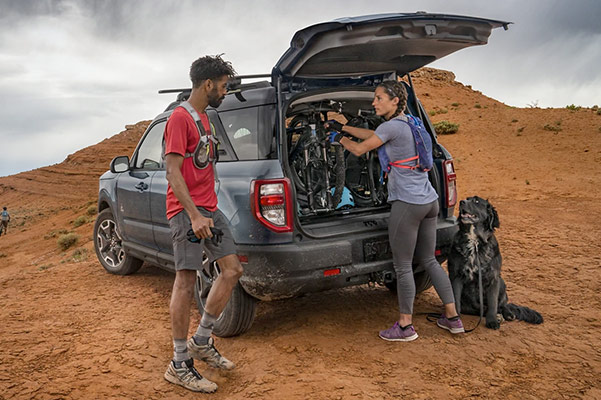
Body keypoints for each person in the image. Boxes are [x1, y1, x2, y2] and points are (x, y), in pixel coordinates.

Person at [325, 80, 464, 341]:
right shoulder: (411, 122)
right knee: (429, 260)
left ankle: (404, 326)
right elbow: (376, 136)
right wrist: (343, 126)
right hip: (429, 201)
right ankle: (453, 318)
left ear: (395, 101)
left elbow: (358, 149)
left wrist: (338, 138)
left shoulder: (390, 127)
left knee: (402, 266)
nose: (374, 103)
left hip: (407, 203)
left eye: (379, 98)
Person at [162, 55, 243, 393]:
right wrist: (194, 214)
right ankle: (179, 363)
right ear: (208, 84)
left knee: (232, 270)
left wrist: (206, 210)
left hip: (210, 209)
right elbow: (172, 172)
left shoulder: (204, 118)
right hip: (187, 213)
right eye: (223, 86)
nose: (225, 92)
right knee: (185, 280)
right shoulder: (179, 119)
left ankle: (201, 340)